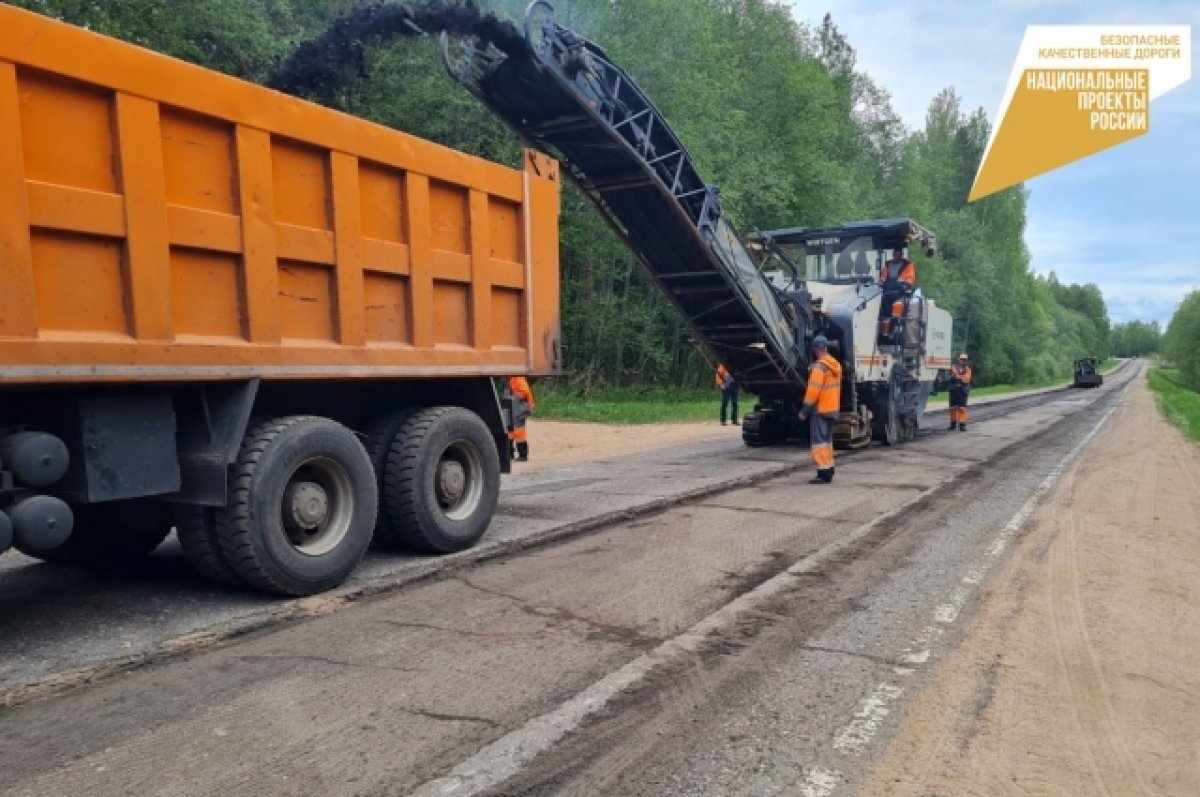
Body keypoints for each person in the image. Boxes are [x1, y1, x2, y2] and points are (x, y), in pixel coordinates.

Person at [798, 336, 842, 484]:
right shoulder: (835, 365)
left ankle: (823, 473)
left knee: (819, 442)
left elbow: (813, 391)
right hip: (832, 409)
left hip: (820, 409)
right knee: (827, 441)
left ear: (816, 349)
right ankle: (829, 468)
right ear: (826, 348)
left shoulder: (819, 367)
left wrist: (805, 410)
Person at [507, 375, 535, 460]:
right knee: (510, 431)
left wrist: (512, 396)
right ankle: (510, 453)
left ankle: (522, 455)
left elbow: (524, 393)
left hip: (520, 407)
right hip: (517, 407)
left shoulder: (517, 378)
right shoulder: (514, 378)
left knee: (519, 432)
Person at [948, 353, 972, 431]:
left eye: (964, 360)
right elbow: (950, 376)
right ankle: (953, 424)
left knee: (962, 408)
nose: (963, 361)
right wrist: (958, 377)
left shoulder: (968, 369)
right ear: (958, 359)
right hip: (954, 390)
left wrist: (956, 377)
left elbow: (966, 379)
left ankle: (962, 425)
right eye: (961, 359)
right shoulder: (952, 367)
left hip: (963, 390)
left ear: (966, 361)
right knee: (952, 408)